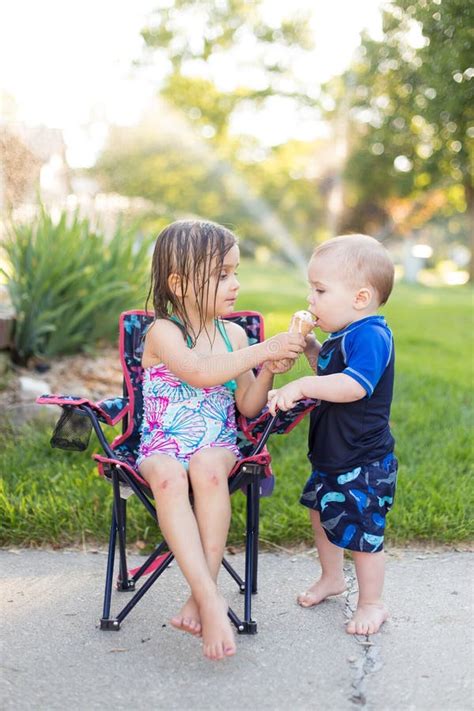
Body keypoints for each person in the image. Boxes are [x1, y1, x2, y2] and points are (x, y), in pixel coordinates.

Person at [137, 219, 305, 661]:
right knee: (171, 478)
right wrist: (264, 349)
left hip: (215, 439)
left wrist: (269, 367)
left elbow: (248, 406)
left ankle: (201, 592)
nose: (235, 284)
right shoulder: (163, 332)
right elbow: (199, 372)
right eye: (222, 275)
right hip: (161, 444)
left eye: (236, 272)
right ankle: (211, 598)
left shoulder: (234, 334)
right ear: (178, 283)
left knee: (209, 471)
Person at [267, 234, 397, 636]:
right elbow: (331, 372)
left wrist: (301, 387)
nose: (310, 299)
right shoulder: (344, 334)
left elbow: (353, 386)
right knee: (322, 514)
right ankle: (331, 577)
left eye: (320, 290)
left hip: (363, 461)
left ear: (360, 298)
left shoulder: (371, 336)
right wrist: (311, 349)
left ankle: (372, 603)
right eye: (311, 289)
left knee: (362, 532)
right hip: (331, 456)